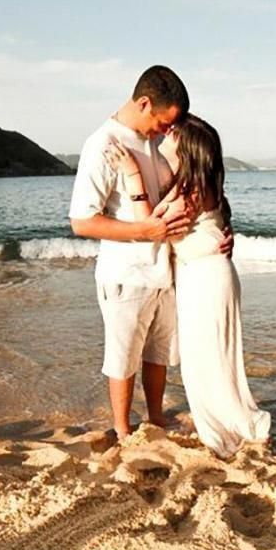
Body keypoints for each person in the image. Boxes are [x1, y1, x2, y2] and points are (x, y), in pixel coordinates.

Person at [69, 65, 232, 439]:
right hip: (126, 274)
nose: (167, 130)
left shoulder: (157, 142)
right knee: (123, 356)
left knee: (158, 354)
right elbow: (82, 222)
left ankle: (155, 418)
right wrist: (146, 230)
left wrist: (221, 229)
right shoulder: (104, 144)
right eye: (164, 121)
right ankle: (123, 430)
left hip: (168, 271)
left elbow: (197, 184)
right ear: (144, 103)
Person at [105, 114, 271, 459]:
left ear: (188, 149)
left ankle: (236, 427)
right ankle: (231, 423)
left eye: (174, 132)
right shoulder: (194, 185)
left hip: (207, 280)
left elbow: (150, 227)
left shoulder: (190, 190)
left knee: (209, 360)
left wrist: (133, 174)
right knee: (212, 359)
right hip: (205, 277)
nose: (168, 132)